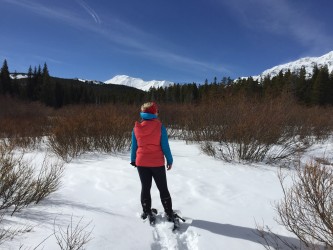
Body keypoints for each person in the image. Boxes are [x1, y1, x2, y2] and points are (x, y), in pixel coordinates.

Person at [130, 102, 175, 225]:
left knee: (145, 187)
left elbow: (134, 146)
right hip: (157, 163)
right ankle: (169, 212)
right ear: (154, 112)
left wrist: (133, 159)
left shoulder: (136, 127)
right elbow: (165, 146)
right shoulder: (160, 126)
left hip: (141, 163)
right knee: (163, 188)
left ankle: (146, 211)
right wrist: (169, 160)